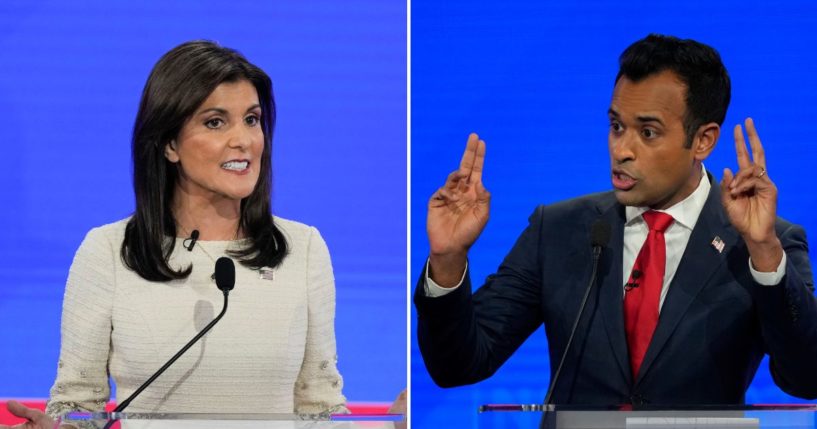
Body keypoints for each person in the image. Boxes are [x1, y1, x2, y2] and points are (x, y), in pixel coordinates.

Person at [415, 34, 817, 405]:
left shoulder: (761, 243)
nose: (621, 149)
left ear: (703, 140)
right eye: (616, 126)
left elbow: (806, 378)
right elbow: (459, 365)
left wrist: (763, 252)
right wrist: (448, 259)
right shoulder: (557, 230)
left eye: (647, 132)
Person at [3, 40, 348, 427]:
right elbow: (79, 405)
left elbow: (320, 408)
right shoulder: (109, 252)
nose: (244, 140)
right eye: (215, 122)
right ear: (169, 144)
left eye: (252, 119)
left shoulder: (303, 248)